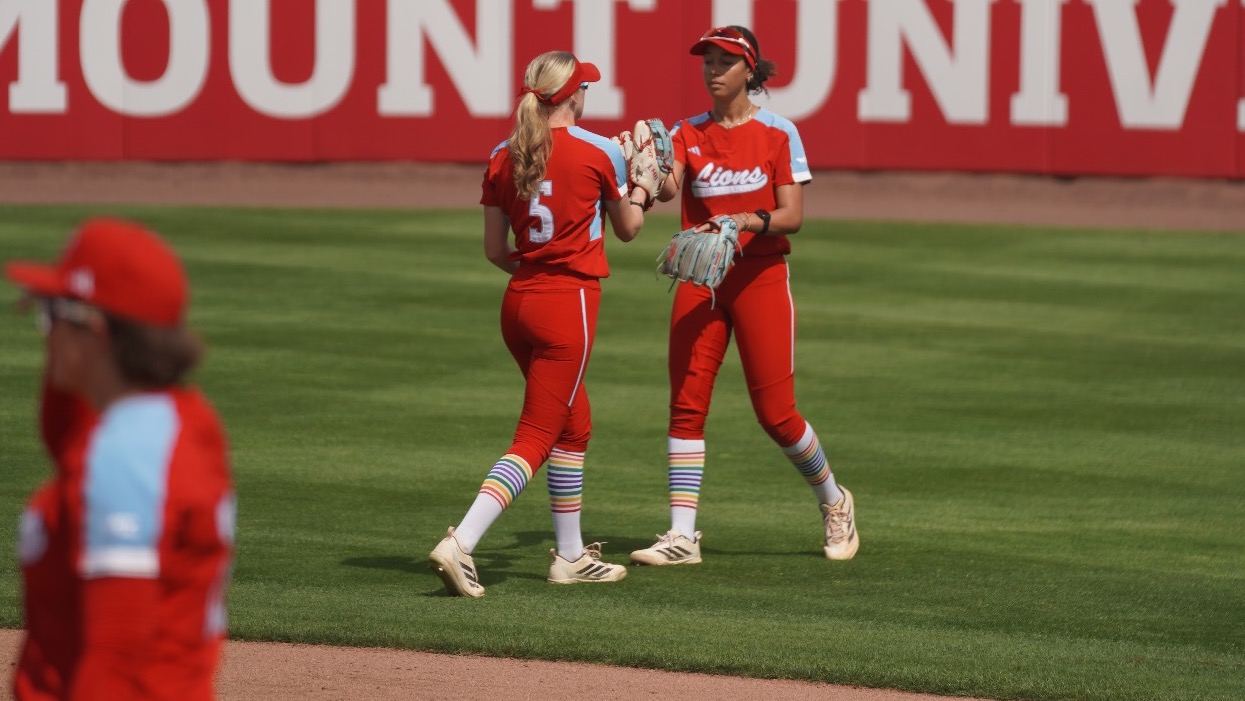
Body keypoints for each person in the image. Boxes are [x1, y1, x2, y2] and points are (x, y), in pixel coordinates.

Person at [630, 26, 859, 567]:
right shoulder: (689, 132)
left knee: (777, 414)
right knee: (686, 405)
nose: (713, 70)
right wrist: (651, 169)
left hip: (758, 276)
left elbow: (792, 217)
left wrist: (745, 220)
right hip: (701, 279)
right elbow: (670, 188)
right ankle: (682, 535)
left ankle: (834, 499)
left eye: (725, 61)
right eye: (707, 60)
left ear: (749, 71)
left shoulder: (779, 133)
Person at [428, 50, 649, 597]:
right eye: (585, 88)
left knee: (575, 425)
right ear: (573, 95)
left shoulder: (503, 154)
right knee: (535, 436)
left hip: (518, 302)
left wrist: (535, 265)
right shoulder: (598, 151)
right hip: (566, 305)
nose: (587, 94)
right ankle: (462, 540)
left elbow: (493, 250)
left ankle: (570, 556)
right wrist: (642, 185)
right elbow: (628, 230)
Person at [6, 217, 236, 700]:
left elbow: (120, 657)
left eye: (50, 315)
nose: (43, 334)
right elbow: (62, 433)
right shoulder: (176, 422)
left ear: (95, 330)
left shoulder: (127, 455)